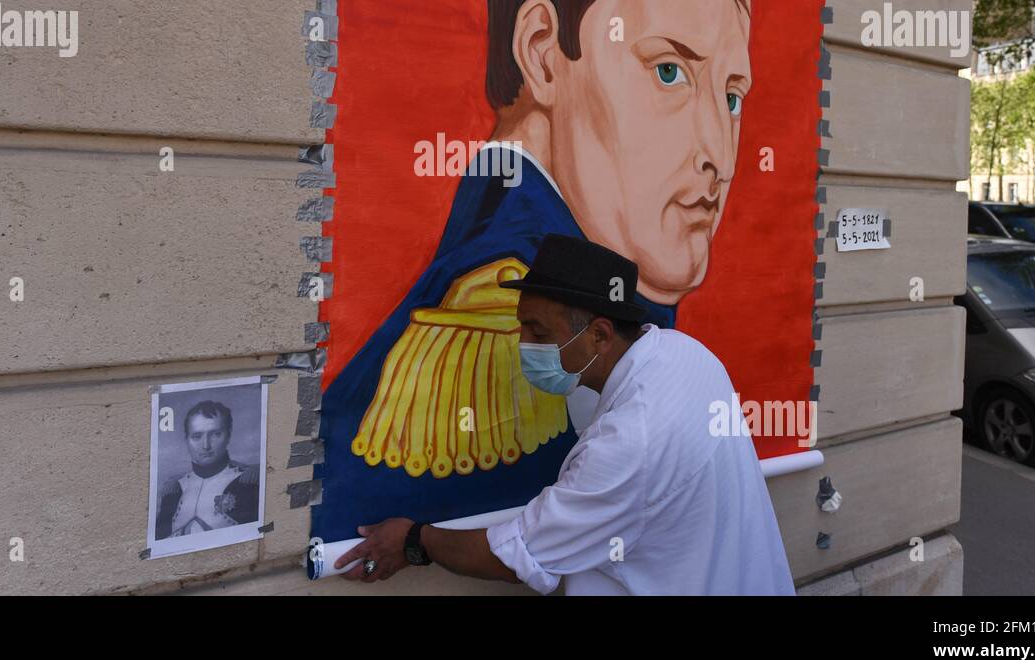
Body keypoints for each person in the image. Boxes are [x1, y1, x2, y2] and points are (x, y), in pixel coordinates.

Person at [314, 0, 753, 542]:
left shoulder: (615, 311)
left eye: (731, 95)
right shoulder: (500, 325)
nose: (719, 151)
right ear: (544, 54)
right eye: (670, 70)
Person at [335, 235, 794, 595]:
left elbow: (516, 558)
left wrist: (416, 540)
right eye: (520, 326)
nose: (522, 344)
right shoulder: (685, 354)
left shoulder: (629, 444)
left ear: (598, 334)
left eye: (537, 329)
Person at [155, 401, 259, 539]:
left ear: (228, 436)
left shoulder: (247, 483)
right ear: (187, 440)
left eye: (215, 434)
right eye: (197, 437)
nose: (206, 445)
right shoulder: (175, 489)